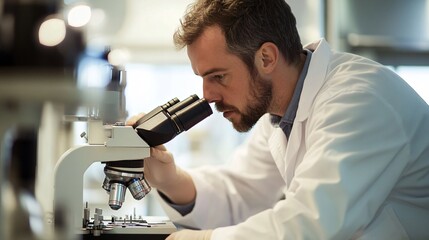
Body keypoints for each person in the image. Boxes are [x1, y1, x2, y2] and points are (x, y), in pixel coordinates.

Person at [127, 0, 429, 239]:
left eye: (218, 76)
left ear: (267, 58)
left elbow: (311, 224)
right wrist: (170, 179)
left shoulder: (358, 99)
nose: (207, 95)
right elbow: (242, 196)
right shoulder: (281, 115)